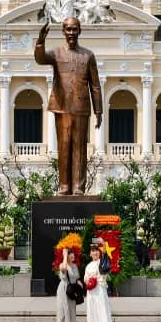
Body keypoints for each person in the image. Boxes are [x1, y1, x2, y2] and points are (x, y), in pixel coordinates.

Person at [34, 17, 103, 196]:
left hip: (81, 107)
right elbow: (40, 59)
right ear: (63, 32)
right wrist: (40, 41)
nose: (71, 33)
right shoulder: (57, 53)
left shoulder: (88, 55)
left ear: (80, 31)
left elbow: (95, 85)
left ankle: (78, 187)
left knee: (80, 148)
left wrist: (99, 110)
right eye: (68, 30)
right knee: (64, 147)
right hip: (62, 106)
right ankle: (64, 186)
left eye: (74, 29)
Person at [84, 245, 114, 322]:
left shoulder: (103, 262)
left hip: (100, 289)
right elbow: (85, 278)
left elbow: (104, 271)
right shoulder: (88, 265)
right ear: (90, 253)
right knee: (92, 312)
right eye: (93, 251)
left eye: (97, 251)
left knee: (101, 311)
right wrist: (88, 280)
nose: (95, 253)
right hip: (91, 291)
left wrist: (104, 246)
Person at [55, 248, 81, 322]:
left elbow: (76, 277)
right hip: (63, 290)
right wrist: (64, 255)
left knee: (71, 313)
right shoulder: (62, 264)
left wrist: (79, 282)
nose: (73, 256)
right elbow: (64, 269)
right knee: (62, 313)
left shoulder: (74, 266)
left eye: (73, 255)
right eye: (71, 255)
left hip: (72, 291)